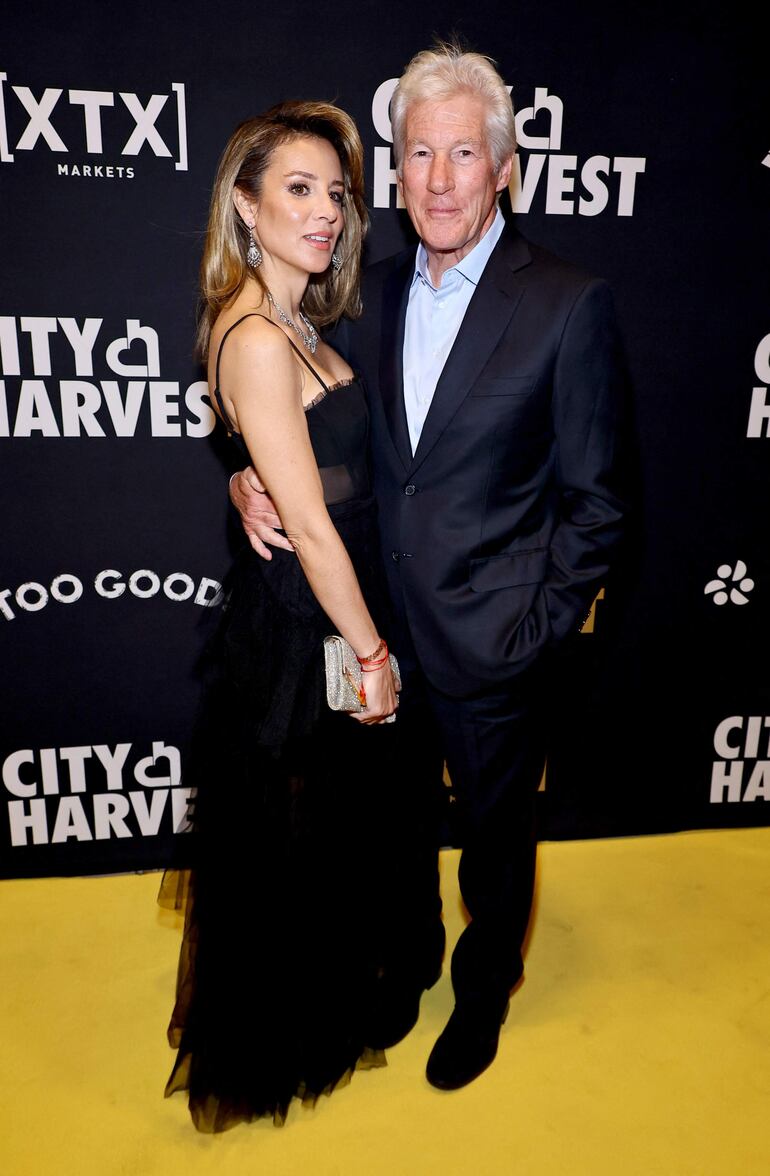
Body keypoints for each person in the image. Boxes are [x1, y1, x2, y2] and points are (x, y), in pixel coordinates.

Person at [231, 43, 630, 1092]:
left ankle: (482, 984)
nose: (441, 178)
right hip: (373, 631)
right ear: (396, 172)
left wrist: (530, 628)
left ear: (503, 166)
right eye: (419, 154)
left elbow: (599, 505)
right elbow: (305, 419)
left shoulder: (565, 303)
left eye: (463, 153)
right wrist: (247, 478)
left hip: (494, 642)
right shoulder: (360, 289)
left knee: (495, 842)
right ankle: (406, 963)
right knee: (393, 826)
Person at [161, 101, 406, 1132]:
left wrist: (240, 479)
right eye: (296, 190)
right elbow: (308, 525)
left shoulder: (293, 320)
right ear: (246, 207)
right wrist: (372, 651)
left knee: (323, 831)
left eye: (335, 193)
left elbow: (290, 469)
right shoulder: (258, 334)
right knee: (294, 830)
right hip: (312, 618)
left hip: (322, 603)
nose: (322, 211)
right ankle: (284, 1035)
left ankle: (333, 995)